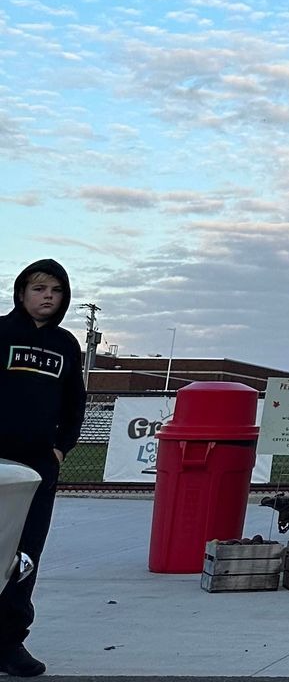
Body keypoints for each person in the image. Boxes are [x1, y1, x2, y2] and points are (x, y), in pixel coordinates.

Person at [0, 261, 86, 679]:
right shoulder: (1, 334)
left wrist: (59, 449)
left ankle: (9, 642)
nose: (47, 296)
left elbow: (75, 406)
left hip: (37, 467)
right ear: (21, 293)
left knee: (25, 555)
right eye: (38, 288)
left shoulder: (66, 345)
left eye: (56, 289)